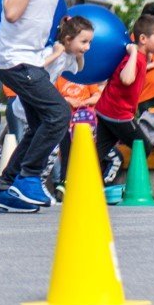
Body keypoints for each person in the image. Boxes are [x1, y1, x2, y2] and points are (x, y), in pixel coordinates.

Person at [0, 0, 107, 214]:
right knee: (58, 113)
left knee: (39, 123)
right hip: (13, 61)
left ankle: (3, 190)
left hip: (30, 62)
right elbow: (12, 13)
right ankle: (27, 180)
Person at [94, 14, 154, 184]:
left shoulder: (142, 58)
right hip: (117, 114)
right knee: (143, 147)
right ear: (143, 38)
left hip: (108, 111)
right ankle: (134, 189)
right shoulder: (133, 58)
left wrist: (141, 54)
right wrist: (134, 52)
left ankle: (81, 184)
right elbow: (127, 79)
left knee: (98, 152)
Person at [42, 14, 95, 192]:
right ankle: (30, 181)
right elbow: (37, 67)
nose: (87, 47)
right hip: (33, 102)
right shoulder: (53, 51)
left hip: (44, 105)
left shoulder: (69, 56)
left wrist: (78, 52)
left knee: (51, 148)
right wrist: (56, 53)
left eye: (89, 43)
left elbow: (80, 68)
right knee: (45, 146)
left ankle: (36, 182)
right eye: (84, 42)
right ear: (68, 39)